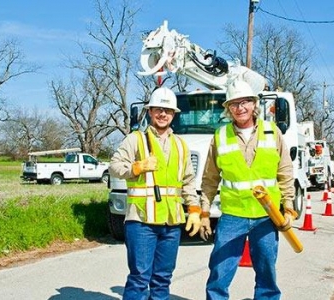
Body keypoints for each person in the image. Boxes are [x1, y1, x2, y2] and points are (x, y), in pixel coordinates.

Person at [198, 79, 297, 300]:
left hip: (267, 216)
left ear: (254, 104)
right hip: (233, 216)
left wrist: (288, 207)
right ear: (228, 109)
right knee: (219, 272)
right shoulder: (220, 136)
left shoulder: (273, 132)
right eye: (234, 104)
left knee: (266, 272)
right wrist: (204, 212)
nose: (240, 108)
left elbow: (285, 172)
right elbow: (209, 179)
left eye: (244, 102)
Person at [109, 87, 202, 300]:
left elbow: (187, 180)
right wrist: (136, 167)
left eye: (168, 111)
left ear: (173, 115)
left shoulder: (180, 145)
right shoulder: (136, 139)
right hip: (141, 221)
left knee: (163, 278)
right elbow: (114, 166)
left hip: (171, 223)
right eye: (158, 109)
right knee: (140, 278)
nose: (163, 114)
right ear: (150, 112)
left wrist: (194, 208)